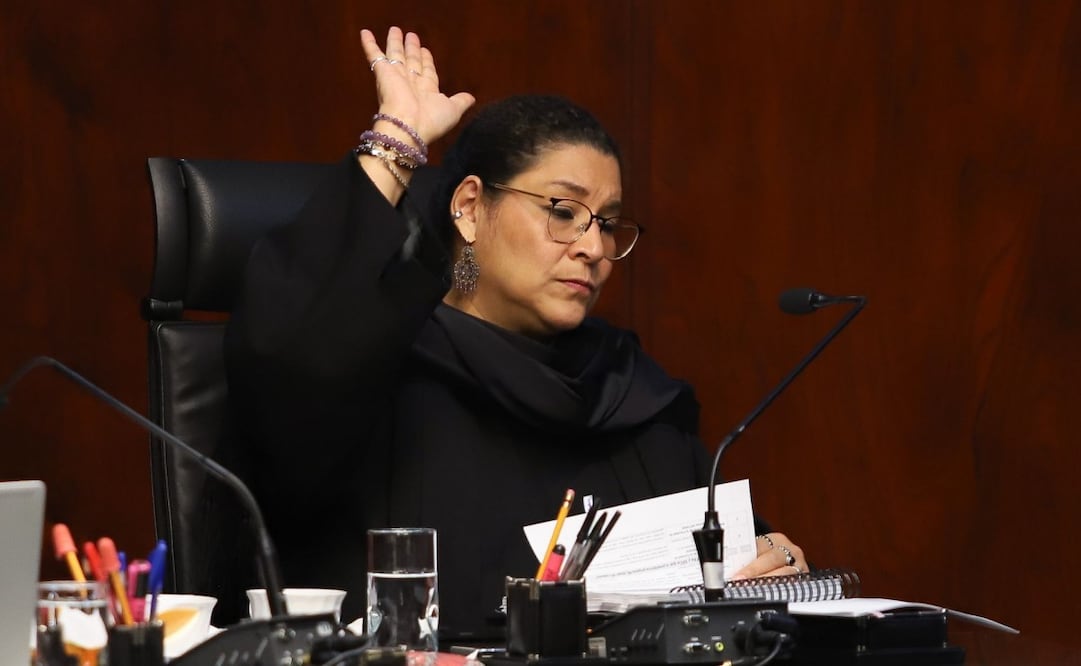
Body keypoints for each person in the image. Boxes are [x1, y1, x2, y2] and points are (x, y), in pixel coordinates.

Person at [225, 27, 806, 638]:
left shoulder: (629, 392)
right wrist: (396, 143)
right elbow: (289, 357)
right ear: (470, 208)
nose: (593, 248)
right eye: (563, 211)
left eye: (607, 224)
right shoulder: (377, 369)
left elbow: (732, 564)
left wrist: (773, 563)